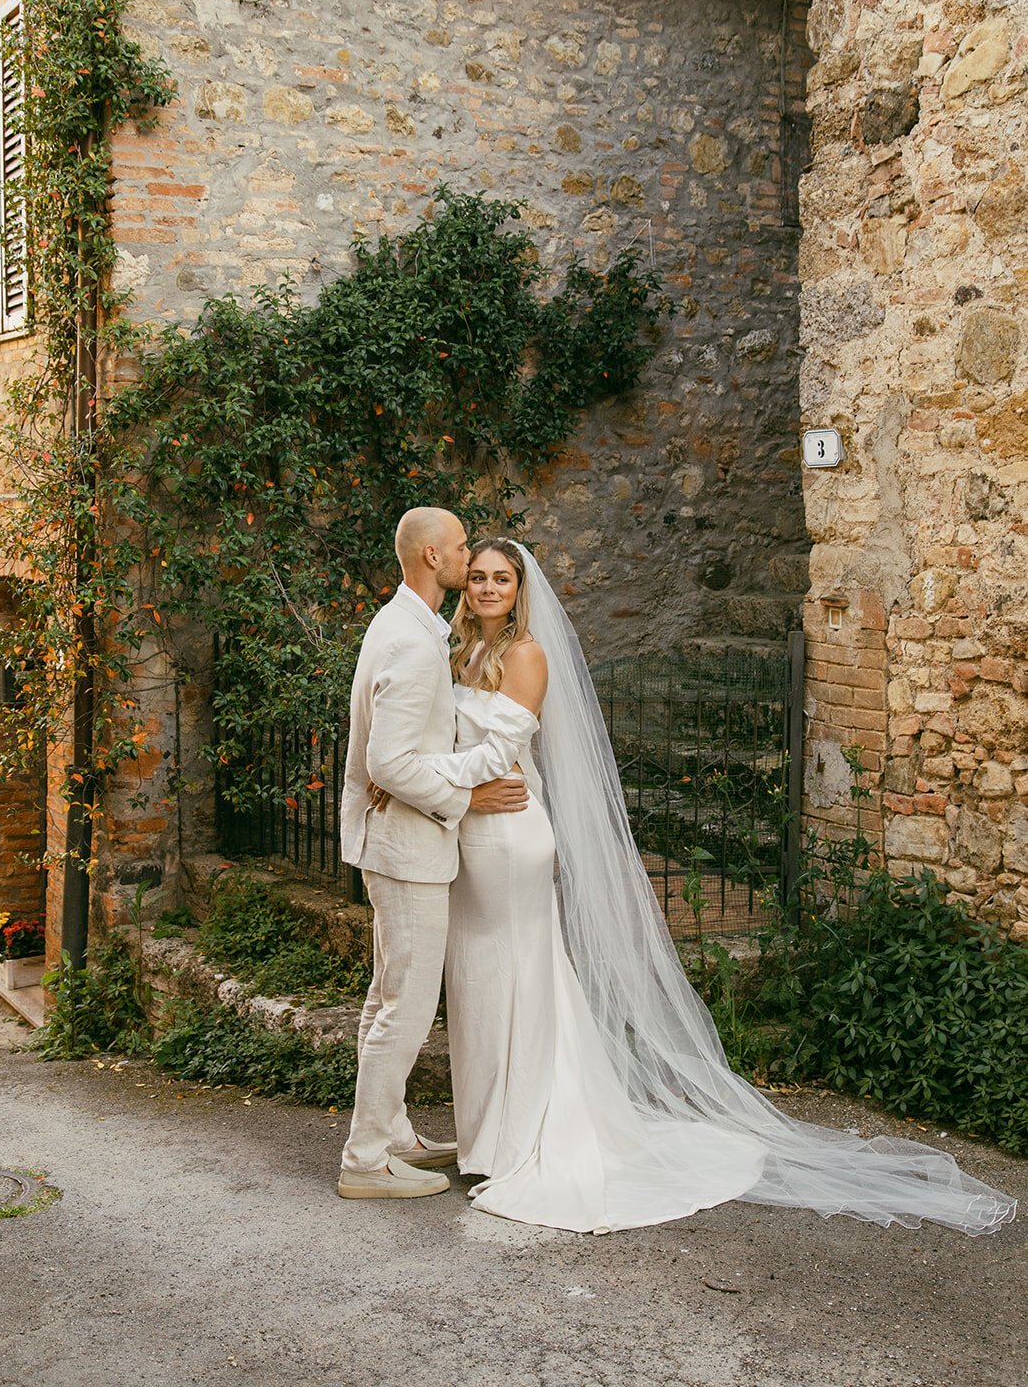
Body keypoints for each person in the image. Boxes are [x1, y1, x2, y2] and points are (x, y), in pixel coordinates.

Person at [383, 537, 1017, 1236]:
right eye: (477, 577)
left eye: (501, 578)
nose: (487, 588)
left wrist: (426, 781)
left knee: (516, 977)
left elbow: (496, 754)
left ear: (520, 587)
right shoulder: (462, 651)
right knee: (477, 981)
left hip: (506, 834)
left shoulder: (526, 654)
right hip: (469, 829)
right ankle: (486, 1138)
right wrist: (425, 778)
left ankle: (523, 1136)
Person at [337, 508, 533, 1201]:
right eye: (458, 549)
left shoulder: (403, 625)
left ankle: (390, 1134)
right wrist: (464, 799)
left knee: (386, 995)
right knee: (407, 1007)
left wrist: (422, 780)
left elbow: (399, 754)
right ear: (430, 556)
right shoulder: (416, 643)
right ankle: (364, 1161)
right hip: (409, 850)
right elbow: (388, 761)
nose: (464, 555)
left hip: (392, 843)